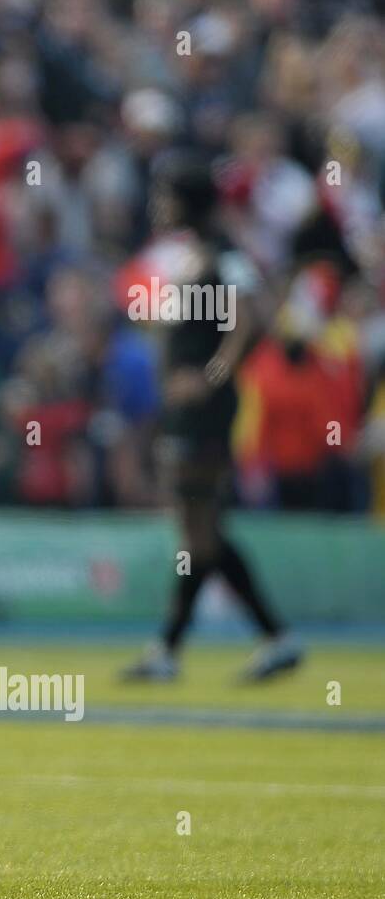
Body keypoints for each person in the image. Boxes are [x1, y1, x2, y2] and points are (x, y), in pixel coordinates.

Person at [122, 154, 303, 684]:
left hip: (203, 415)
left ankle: (192, 647)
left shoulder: (223, 254)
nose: (158, 205)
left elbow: (253, 315)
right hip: (185, 413)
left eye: (166, 195)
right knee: (199, 532)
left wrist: (213, 374)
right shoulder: (196, 256)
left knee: (196, 527)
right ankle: (198, 645)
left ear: (187, 201)